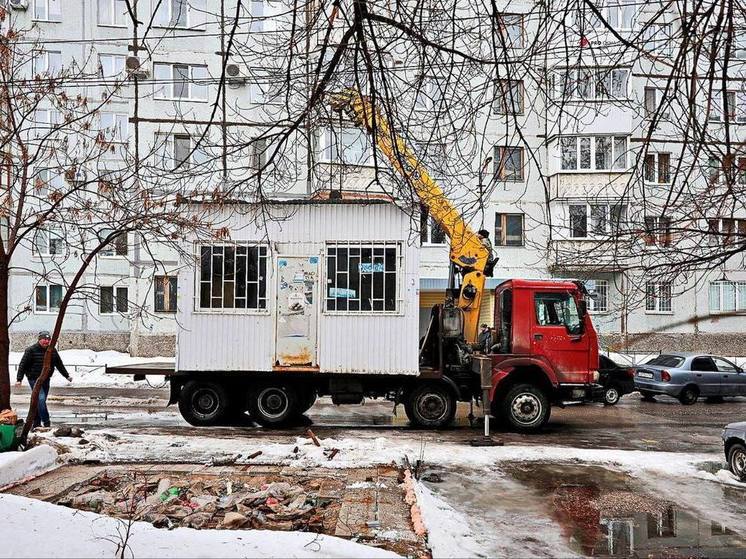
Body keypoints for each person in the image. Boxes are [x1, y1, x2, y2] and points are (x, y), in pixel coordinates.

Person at [15, 331, 72, 428]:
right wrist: (19, 379)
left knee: (39, 401)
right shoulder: (31, 350)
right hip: (34, 379)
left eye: (48, 339)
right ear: (39, 339)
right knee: (40, 399)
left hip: (46, 379)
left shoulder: (52, 350)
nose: (46, 341)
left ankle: (36, 423)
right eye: (44, 339)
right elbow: (23, 365)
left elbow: (59, 364)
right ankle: (46, 422)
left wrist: (66, 375)